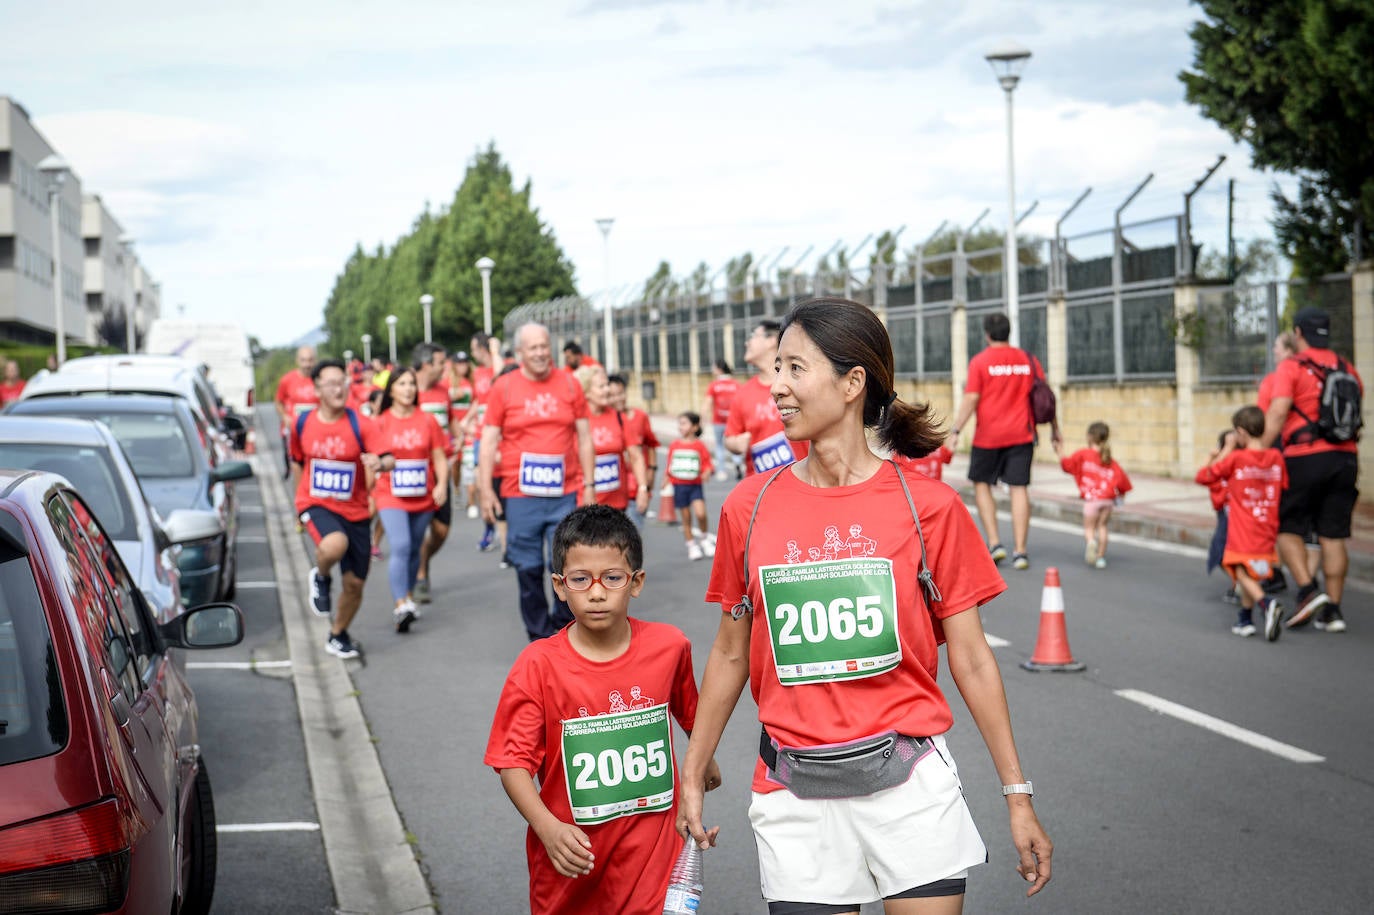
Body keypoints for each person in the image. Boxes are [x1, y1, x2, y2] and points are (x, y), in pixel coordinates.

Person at [680, 297, 1052, 912]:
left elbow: (974, 660)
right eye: (776, 368)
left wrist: (1018, 794)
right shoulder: (746, 508)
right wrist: (694, 767)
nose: (776, 387)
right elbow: (729, 651)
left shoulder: (928, 508)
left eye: (795, 368)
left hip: (911, 792)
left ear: (854, 383)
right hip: (793, 794)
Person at [484, 505, 721, 915]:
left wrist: (703, 765)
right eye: (580, 579)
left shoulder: (669, 646)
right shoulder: (537, 665)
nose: (596, 592)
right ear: (559, 586)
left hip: (651, 858)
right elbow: (512, 764)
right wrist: (547, 828)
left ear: (636, 582)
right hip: (572, 863)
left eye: (612, 577)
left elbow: (691, 712)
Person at [478, 323, 596, 641]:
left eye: (545, 346)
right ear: (519, 353)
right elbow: (488, 441)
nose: (541, 352)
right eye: (534, 348)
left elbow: (584, 437)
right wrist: (486, 490)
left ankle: (562, 628)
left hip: (565, 492)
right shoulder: (503, 388)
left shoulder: (570, 385)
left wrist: (589, 485)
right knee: (527, 568)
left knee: (565, 564)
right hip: (520, 495)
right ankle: (538, 638)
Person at [1262, 307, 1362, 633]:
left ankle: (1307, 591)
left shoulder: (1291, 367)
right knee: (1333, 535)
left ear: (1299, 333)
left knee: (1287, 527)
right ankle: (1332, 611)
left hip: (1305, 456)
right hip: (1345, 458)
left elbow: (1277, 413)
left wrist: (1260, 450)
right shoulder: (1348, 368)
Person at [289, 359, 398, 660]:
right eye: (331, 383)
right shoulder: (303, 423)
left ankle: (338, 634)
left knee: (355, 584)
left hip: (356, 511)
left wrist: (380, 463)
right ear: (317, 388)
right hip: (316, 503)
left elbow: (390, 458)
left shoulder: (360, 423)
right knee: (334, 544)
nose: (338, 389)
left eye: (343, 382)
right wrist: (300, 500)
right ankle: (321, 576)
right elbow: (297, 460)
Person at [949, 312, 1061, 571]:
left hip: (988, 436)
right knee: (1019, 488)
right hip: (1022, 434)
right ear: (1008, 332)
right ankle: (1020, 551)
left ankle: (996, 543)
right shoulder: (1028, 360)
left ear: (987, 334)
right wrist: (1055, 429)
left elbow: (971, 399)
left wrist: (955, 430)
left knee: (981, 484)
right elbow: (1045, 397)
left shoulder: (980, 361)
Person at [1197, 406, 1289, 640]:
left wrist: (1227, 448)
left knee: (1238, 567)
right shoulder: (1276, 457)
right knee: (1252, 571)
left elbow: (1204, 476)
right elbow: (1283, 485)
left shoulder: (1237, 458)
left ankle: (1267, 604)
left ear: (1240, 432)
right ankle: (1245, 620)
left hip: (1243, 526)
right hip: (1268, 523)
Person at [372, 366, 449, 633]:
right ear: (391, 389)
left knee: (414, 548)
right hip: (390, 494)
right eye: (402, 384)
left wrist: (441, 484)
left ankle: (406, 597)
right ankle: (401, 603)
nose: (408, 389)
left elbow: (439, 456)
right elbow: (371, 459)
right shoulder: (380, 422)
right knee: (401, 545)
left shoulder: (427, 421)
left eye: (411, 384)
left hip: (421, 495)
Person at [724, 320, 809, 477]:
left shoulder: (801, 383)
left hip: (803, 485)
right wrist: (735, 444)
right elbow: (729, 437)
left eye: (753, 336)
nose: (746, 342)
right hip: (760, 489)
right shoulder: (743, 393)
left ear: (771, 340)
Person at [410, 342, 458, 605]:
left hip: (440, 473)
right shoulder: (405, 388)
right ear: (427, 364)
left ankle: (423, 559)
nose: (445, 368)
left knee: (441, 530)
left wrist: (459, 435)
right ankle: (418, 578)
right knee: (415, 531)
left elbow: (450, 422)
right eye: (441, 363)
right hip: (413, 475)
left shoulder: (443, 392)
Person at [1054, 421, 1133, 569]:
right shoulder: (1110, 461)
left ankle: (1091, 542)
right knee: (1102, 526)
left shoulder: (1083, 454)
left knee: (1089, 528)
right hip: (1108, 501)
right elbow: (1123, 483)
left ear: (1089, 437)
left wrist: (1059, 451)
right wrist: (1120, 498)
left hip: (1092, 501)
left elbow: (1067, 465)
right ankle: (1101, 557)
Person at [575, 365, 650, 518]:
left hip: (616, 506)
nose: (607, 390)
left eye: (607, 385)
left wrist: (643, 488)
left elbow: (635, 456)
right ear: (587, 391)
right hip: (583, 503)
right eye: (601, 386)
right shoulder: (577, 420)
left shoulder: (618, 417)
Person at [605, 373, 659, 529]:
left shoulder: (640, 416)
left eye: (620, 393)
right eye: (612, 395)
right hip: (613, 490)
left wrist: (650, 477)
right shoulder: (604, 420)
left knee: (632, 538)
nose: (617, 399)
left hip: (636, 488)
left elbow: (651, 445)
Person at [666, 411, 715, 561]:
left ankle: (705, 539)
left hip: (695, 486)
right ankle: (691, 545)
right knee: (686, 518)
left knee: (700, 513)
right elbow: (670, 465)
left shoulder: (699, 446)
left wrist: (707, 472)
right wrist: (665, 479)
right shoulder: (674, 445)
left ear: (694, 427)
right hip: (679, 487)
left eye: (684, 423)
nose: (680, 427)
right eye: (679, 424)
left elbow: (707, 464)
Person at [275, 346, 319, 480]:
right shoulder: (287, 380)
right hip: (293, 429)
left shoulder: (320, 379)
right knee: (296, 465)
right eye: (303, 360)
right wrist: (285, 417)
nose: (307, 364)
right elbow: (278, 402)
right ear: (297, 361)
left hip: (315, 429)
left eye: (310, 360)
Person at [702, 359, 741, 480]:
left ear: (719, 369)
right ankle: (737, 462)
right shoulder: (736, 384)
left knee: (719, 446)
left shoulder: (714, 385)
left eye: (713, 368)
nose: (712, 370)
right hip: (733, 421)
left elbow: (708, 403)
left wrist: (703, 418)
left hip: (718, 421)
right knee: (735, 444)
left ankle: (722, 472)